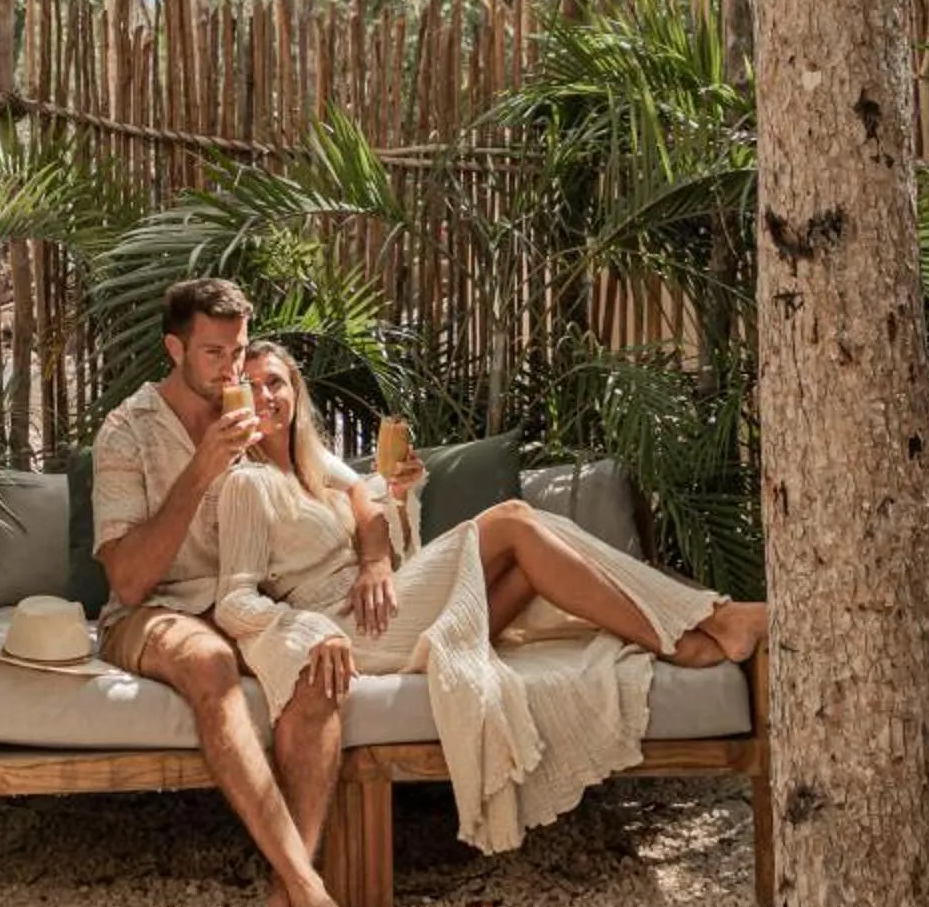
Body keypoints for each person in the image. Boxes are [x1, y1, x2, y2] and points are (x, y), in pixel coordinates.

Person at [214, 342, 768, 857]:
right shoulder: (248, 484)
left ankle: (689, 634)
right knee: (514, 522)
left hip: (385, 618)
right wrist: (311, 632)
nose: (267, 396)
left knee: (529, 566)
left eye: (278, 383)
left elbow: (389, 544)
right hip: (348, 630)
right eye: (254, 385)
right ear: (234, 396)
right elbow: (233, 599)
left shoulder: (319, 476)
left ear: (296, 393)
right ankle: (705, 622)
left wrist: (400, 501)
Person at [92, 278, 396, 907]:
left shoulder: (259, 412)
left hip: (248, 604)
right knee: (209, 664)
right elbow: (128, 583)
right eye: (213, 354)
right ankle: (312, 888)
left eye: (237, 351)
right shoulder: (128, 430)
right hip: (158, 612)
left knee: (319, 672)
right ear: (174, 348)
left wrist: (375, 557)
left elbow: (352, 486)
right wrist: (199, 472)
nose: (232, 372)